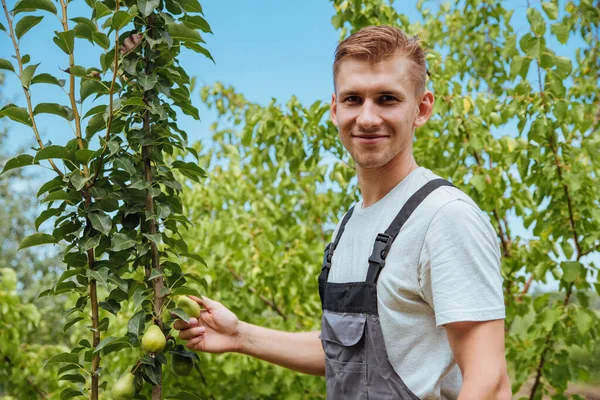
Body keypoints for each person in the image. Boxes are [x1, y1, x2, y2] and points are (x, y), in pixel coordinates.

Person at [174, 25, 511, 399]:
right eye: (353, 99)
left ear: (422, 108)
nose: (367, 118)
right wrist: (239, 335)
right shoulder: (350, 224)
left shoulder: (444, 217)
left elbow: (490, 382)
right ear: (335, 109)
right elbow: (347, 355)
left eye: (387, 99)